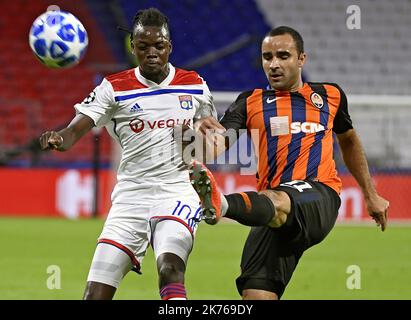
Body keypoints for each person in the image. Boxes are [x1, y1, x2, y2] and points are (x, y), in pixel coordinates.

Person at [190, 26, 389, 300]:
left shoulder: (330, 95)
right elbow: (213, 148)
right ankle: (222, 205)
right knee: (256, 294)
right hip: (270, 210)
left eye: (283, 56)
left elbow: (349, 140)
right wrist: (197, 133)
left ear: (301, 59)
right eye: (267, 57)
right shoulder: (250, 102)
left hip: (319, 196)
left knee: (278, 199)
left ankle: (222, 205)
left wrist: (371, 194)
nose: (274, 64)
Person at [39, 8, 216, 300]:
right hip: (130, 198)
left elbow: (210, 137)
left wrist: (202, 147)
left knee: (170, 268)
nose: (151, 53)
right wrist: (59, 138)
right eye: (143, 46)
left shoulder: (194, 84)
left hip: (176, 192)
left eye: (159, 46)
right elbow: (73, 132)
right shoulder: (114, 88)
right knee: (95, 294)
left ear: (169, 47)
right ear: (132, 46)